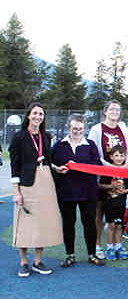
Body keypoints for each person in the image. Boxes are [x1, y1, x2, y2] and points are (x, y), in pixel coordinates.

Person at [9, 103, 63, 277]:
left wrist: (56, 168)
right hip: (27, 184)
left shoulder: (46, 136)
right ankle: (24, 262)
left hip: (46, 183)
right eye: (35, 113)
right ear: (28, 116)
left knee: (43, 224)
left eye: (41, 114)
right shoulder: (19, 137)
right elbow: (14, 166)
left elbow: (47, 159)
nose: (38, 116)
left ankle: (38, 261)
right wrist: (16, 192)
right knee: (25, 223)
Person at [51, 114, 105, 267]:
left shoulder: (91, 145)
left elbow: (97, 165)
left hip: (87, 191)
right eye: (74, 128)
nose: (77, 132)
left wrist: (79, 165)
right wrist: (57, 168)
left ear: (84, 129)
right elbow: (51, 164)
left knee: (89, 223)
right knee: (68, 223)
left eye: (81, 129)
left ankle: (92, 254)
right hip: (66, 191)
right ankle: (70, 254)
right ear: (69, 128)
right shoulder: (59, 145)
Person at [88, 100, 128, 259]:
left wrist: (126, 165)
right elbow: (95, 153)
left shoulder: (122, 127)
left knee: (117, 213)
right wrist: (111, 167)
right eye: (112, 108)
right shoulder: (97, 129)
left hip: (121, 175)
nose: (115, 111)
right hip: (104, 175)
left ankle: (117, 245)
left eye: (118, 109)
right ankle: (97, 245)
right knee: (99, 213)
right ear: (105, 111)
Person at [98, 146, 128, 261]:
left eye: (122, 155)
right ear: (111, 157)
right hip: (109, 203)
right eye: (116, 155)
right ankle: (109, 248)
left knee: (119, 226)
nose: (119, 158)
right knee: (111, 226)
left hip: (121, 203)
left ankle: (118, 246)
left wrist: (125, 191)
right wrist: (111, 186)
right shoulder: (107, 170)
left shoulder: (126, 170)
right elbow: (99, 185)